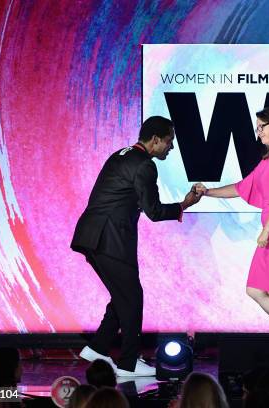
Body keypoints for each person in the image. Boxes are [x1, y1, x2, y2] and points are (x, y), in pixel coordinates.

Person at [72, 116, 202, 376]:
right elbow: (152, 211)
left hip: (92, 235)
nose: (171, 147)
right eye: (169, 141)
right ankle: (128, 365)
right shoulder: (144, 165)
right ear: (155, 140)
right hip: (110, 239)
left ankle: (98, 347)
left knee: (123, 296)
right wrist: (184, 204)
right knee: (132, 298)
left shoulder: (122, 154)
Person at [194, 107, 269, 337]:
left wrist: (267, 230)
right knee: (255, 289)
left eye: (262, 127)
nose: (259, 133)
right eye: (257, 128)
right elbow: (242, 187)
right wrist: (207, 192)